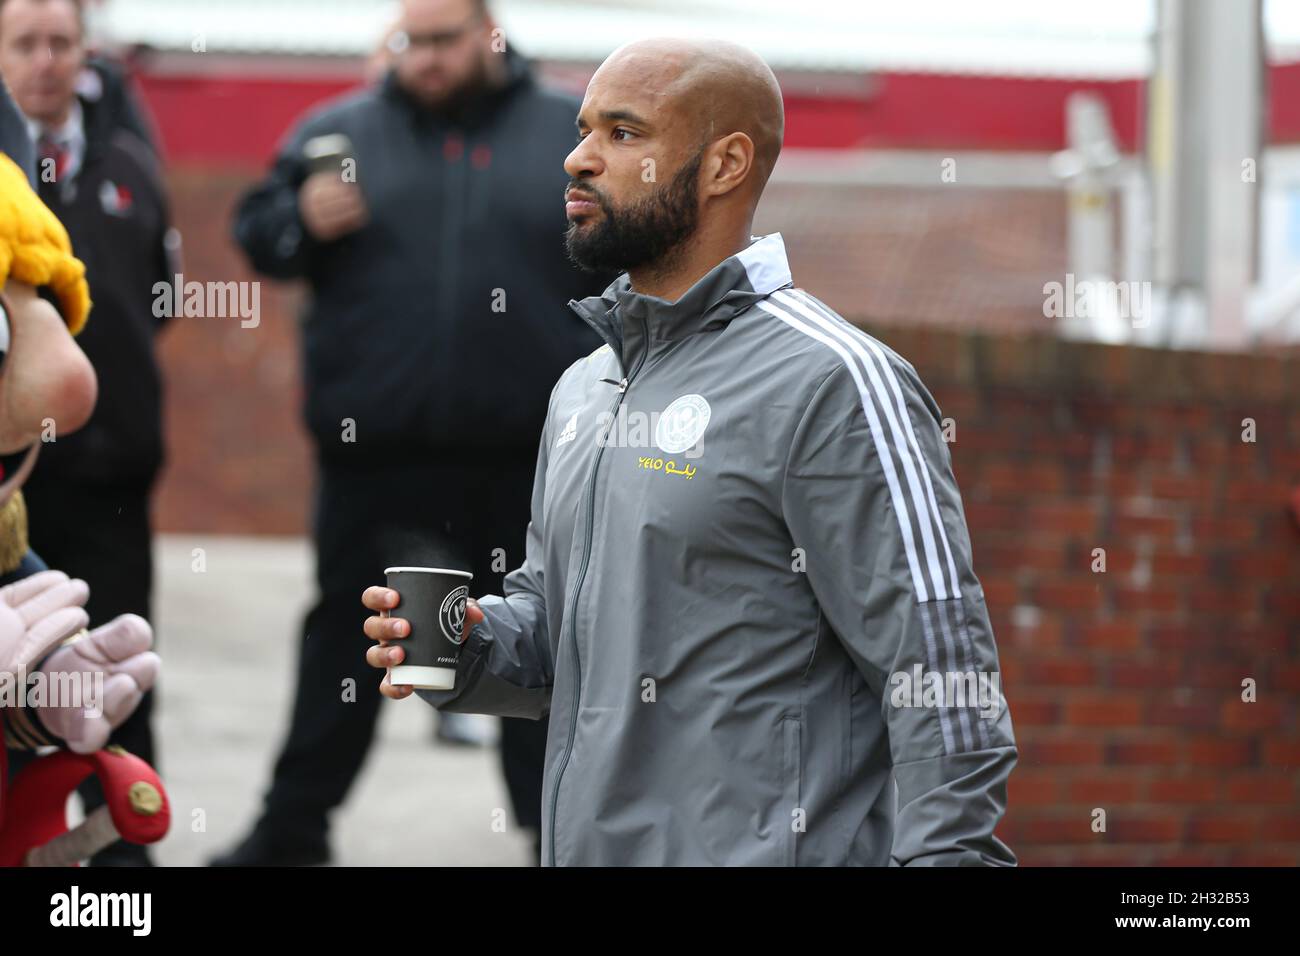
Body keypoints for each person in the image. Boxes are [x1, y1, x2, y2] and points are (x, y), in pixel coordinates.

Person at [365, 37, 1019, 866]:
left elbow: (941, 668)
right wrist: (467, 645)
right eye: (583, 129)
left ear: (725, 165)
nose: (578, 159)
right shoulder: (584, 386)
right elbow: (557, 633)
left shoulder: (837, 383)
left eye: (623, 133)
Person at [213, 0, 608, 866]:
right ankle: (292, 832)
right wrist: (297, 220)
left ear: (487, 35)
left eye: (444, 40)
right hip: (377, 457)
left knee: (537, 651)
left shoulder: (567, 132)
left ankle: (554, 842)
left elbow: (627, 248)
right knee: (348, 649)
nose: (425, 59)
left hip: (530, 460)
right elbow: (259, 233)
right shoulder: (339, 131)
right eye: (411, 41)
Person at [0, 0, 174, 866]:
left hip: (109, 474)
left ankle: (120, 857)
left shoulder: (130, 159)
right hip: (30, 484)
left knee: (108, 675)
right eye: (23, 43)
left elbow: (159, 297)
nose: (43, 60)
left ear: (84, 49)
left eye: (59, 42)